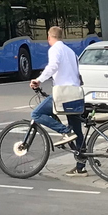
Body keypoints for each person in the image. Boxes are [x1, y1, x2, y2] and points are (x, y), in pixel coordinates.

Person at [30, 25, 87, 176]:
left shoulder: (55, 49)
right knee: (78, 131)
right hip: (76, 94)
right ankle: (81, 166)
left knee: (36, 114)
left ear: (49, 38)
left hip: (63, 94)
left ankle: (65, 131)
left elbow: (53, 66)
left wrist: (39, 80)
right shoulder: (71, 52)